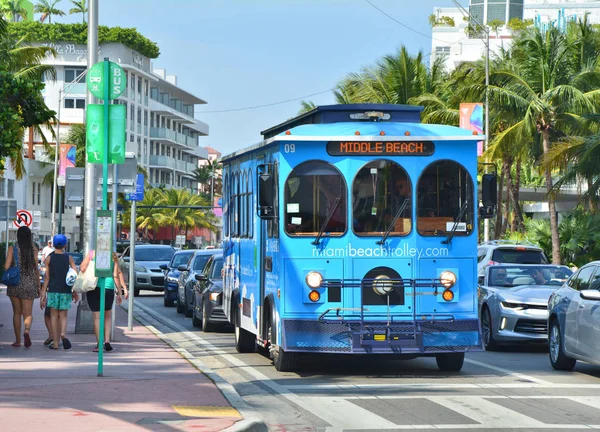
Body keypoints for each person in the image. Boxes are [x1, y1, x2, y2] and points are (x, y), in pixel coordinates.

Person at [80, 251, 129, 352]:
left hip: (93, 287)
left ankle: (99, 344)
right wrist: (120, 292)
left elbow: (82, 268)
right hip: (108, 288)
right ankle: (107, 340)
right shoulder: (113, 254)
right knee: (107, 316)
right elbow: (115, 275)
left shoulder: (92, 254)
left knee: (97, 318)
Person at [40, 234, 78, 350]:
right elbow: (74, 276)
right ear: (65, 245)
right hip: (65, 290)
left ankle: (55, 343)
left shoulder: (49, 259)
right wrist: (74, 291)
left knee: (53, 316)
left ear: (53, 244)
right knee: (63, 316)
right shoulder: (69, 258)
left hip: (53, 290)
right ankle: (63, 334)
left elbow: (46, 278)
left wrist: (43, 293)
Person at [4, 226, 40, 348]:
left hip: (15, 284)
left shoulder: (12, 249)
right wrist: (39, 288)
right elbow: (36, 270)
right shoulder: (33, 250)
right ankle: (27, 330)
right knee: (28, 313)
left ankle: (18, 340)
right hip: (29, 284)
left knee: (16, 313)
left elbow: (6, 266)